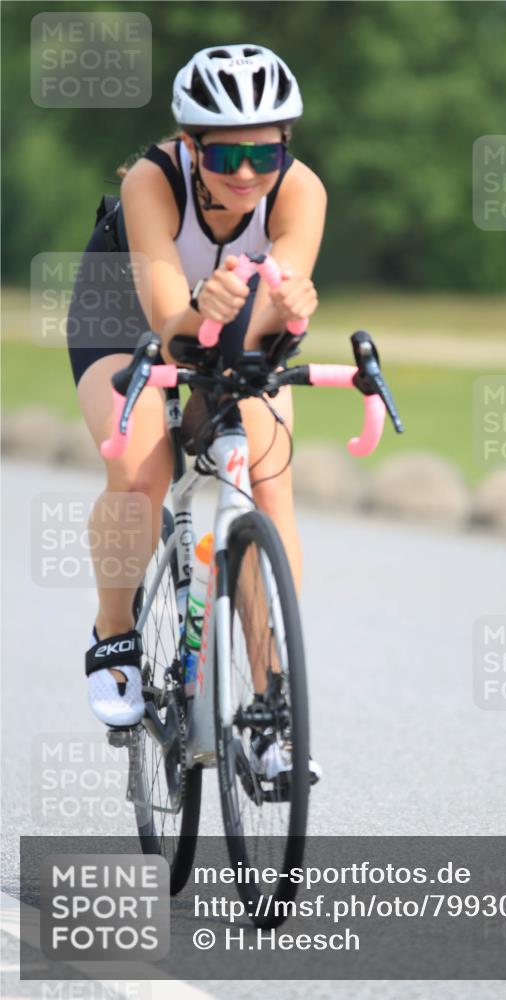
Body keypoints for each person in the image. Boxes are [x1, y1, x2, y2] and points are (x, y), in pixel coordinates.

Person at [66, 44, 326, 780]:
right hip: (126, 314)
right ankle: (113, 635)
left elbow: (281, 302)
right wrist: (196, 312)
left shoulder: (302, 191)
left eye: (263, 153)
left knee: (265, 486)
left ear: (285, 147)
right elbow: (164, 311)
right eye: (226, 155)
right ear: (191, 145)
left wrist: (289, 308)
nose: (246, 174)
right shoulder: (156, 179)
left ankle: (273, 704)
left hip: (238, 320)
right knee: (141, 471)